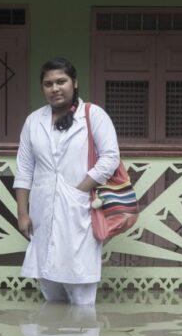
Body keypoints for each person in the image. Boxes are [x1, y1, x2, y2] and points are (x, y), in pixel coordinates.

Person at [13, 57, 120, 306]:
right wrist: (22, 212)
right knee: (49, 284)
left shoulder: (94, 115)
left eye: (61, 81)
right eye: (48, 83)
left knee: (80, 287)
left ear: (75, 82)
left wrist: (76, 191)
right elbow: (25, 168)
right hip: (42, 213)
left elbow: (110, 158)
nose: (55, 88)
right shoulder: (33, 121)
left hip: (80, 209)